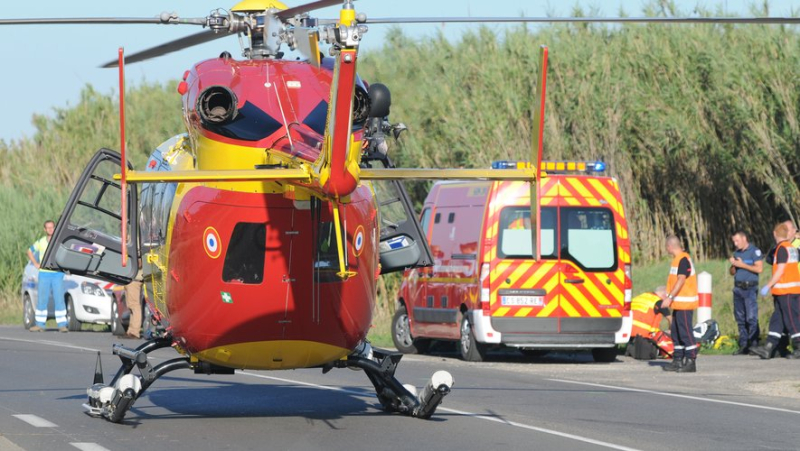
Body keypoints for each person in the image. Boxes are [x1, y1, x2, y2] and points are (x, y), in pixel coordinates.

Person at [750, 222, 800, 360]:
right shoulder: (791, 248)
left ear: (774, 234)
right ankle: (769, 346)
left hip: (787, 290)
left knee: (792, 319)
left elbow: (781, 270)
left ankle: (798, 346)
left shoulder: (782, 248)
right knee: (777, 319)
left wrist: (768, 285)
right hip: (785, 291)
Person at [660, 235, 699, 373]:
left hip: (684, 304)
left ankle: (690, 361)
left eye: (666, 247)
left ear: (670, 246)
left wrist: (669, 297)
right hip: (678, 304)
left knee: (686, 332)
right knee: (676, 333)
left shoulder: (683, 259)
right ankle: (678, 359)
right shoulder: (677, 260)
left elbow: (681, 280)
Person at [26, 220, 67, 333]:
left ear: (55, 228)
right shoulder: (41, 242)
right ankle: (40, 324)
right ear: (45, 229)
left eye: (52, 227)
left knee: (59, 298)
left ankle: (62, 325)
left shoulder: (59, 242)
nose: (50, 229)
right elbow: (29, 251)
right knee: (42, 299)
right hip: (44, 273)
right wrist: (35, 263)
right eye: (48, 228)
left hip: (57, 273)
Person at [728, 230, 763, 355]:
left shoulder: (754, 251)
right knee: (740, 318)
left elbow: (759, 268)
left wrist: (742, 265)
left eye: (737, 241)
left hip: (750, 289)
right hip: (738, 288)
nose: (735, 244)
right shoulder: (737, 253)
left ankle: (754, 343)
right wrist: (733, 265)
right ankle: (744, 344)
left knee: (751, 317)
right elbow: (732, 272)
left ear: (744, 239)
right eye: (734, 241)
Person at [123, 259, 144, 339]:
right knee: (131, 305)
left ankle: (135, 332)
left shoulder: (137, 247)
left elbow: (139, 261)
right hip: (130, 277)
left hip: (134, 277)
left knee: (135, 306)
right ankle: (130, 330)